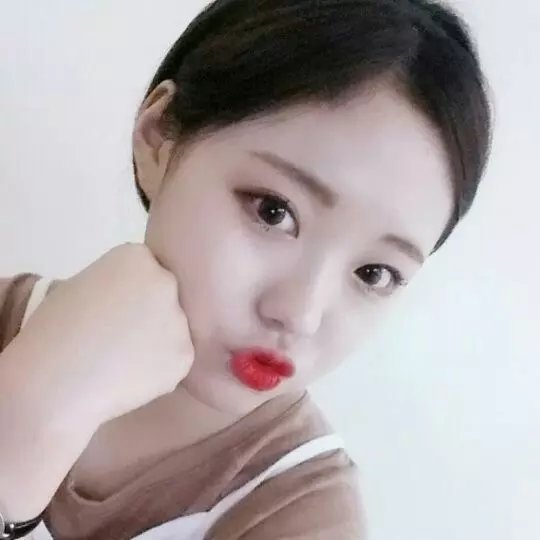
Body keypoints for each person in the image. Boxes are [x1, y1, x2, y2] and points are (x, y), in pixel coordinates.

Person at [0, 0, 492, 538]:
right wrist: (32, 410)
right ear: (159, 137)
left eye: (374, 273)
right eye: (273, 212)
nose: (299, 314)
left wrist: (24, 431)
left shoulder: (303, 516)